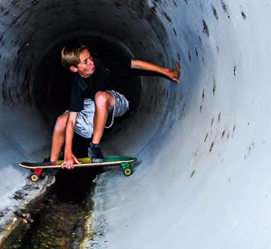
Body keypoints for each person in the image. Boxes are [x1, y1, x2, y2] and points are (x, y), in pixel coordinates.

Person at [51, 43, 180, 169]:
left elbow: (136, 64)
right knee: (61, 121)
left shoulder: (103, 62)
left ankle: (94, 147)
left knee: (100, 97)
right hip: (94, 104)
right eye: (86, 62)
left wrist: (168, 72)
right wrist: (68, 151)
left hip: (118, 100)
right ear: (74, 68)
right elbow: (72, 120)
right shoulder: (76, 83)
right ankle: (52, 164)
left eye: (90, 57)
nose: (92, 62)